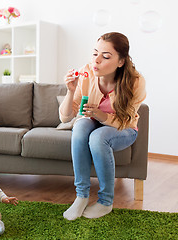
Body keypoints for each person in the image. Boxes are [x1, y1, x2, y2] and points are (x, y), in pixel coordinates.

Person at [59, 32, 146, 220]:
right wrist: (70, 91)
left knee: (98, 137)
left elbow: (126, 120)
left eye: (105, 56)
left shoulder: (135, 82)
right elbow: (66, 118)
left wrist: (100, 114)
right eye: (95, 53)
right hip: (94, 123)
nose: (96, 60)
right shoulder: (86, 73)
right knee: (81, 127)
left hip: (124, 129)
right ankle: (81, 197)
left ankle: (105, 202)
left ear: (120, 62)